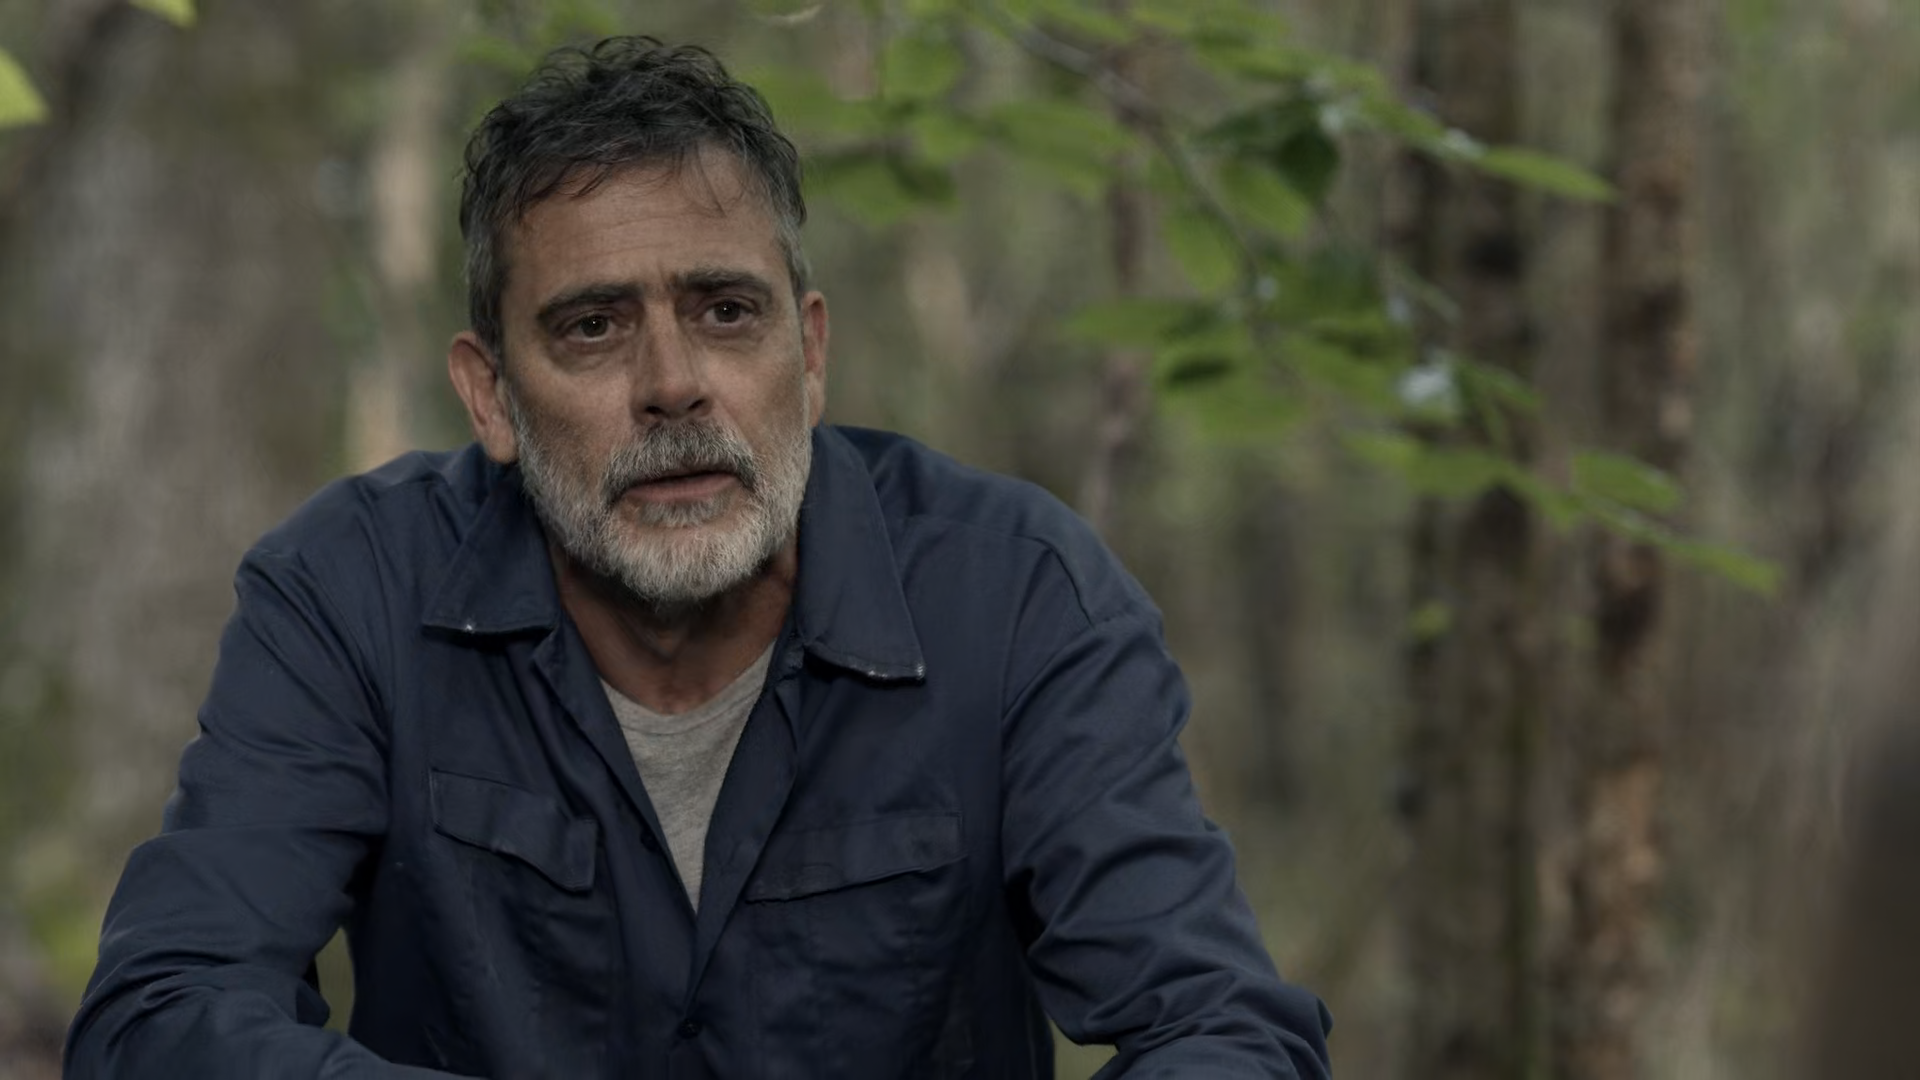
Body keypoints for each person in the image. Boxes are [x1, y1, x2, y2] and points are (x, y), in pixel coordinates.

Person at [64, 36, 1332, 1079]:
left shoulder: (1015, 597)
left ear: (810, 354)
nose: (673, 384)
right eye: (592, 327)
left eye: (726, 312)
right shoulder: (349, 593)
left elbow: (1222, 1029)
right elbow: (162, 1016)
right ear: (492, 395)